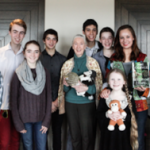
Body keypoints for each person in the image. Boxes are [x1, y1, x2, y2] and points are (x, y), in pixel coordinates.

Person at [100, 25, 149, 150]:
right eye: (121, 37)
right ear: (118, 40)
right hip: (119, 105)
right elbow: (107, 80)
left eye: (128, 36)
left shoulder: (143, 58)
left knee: (138, 140)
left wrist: (146, 91)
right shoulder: (114, 58)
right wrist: (105, 90)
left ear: (133, 38)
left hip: (139, 105)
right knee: (122, 140)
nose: (125, 40)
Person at [58, 34, 103, 150]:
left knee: (87, 135)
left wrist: (87, 88)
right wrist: (66, 85)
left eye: (81, 43)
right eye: (76, 44)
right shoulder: (67, 65)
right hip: (70, 103)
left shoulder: (93, 63)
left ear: (85, 46)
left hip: (87, 104)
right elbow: (64, 90)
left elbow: (98, 87)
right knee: (74, 135)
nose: (78, 46)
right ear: (72, 46)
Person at [10, 40, 52, 150]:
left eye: (36, 51)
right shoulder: (18, 73)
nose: (32, 55)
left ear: (40, 53)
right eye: (29, 51)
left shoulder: (45, 72)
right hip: (24, 121)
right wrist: (18, 124)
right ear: (24, 53)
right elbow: (13, 101)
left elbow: (48, 98)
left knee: (42, 148)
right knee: (27, 147)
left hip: (41, 120)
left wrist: (47, 121)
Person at [0, 19, 26, 150]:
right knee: (4, 143)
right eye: (15, 32)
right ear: (9, 32)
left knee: (16, 142)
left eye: (21, 33)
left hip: (20, 108)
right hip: (4, 107)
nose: (18, 36)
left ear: (24, 35)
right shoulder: (0, 53)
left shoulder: (27, 56)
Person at [97, 68, 138, 150]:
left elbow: (134, 116)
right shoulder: (105, 97)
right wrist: (107, 114)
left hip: (124, 138)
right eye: (112, 79)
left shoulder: (129, 98)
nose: (115, 82)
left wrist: (122, 116)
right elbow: (98, 115)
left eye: (119, 79)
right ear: (108, 82)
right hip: (108, 137)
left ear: (124, 82)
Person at [40, 29, 66, 150]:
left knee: (57, 132)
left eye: (53, 39)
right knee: (42, 133)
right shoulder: (37, 58)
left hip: (58, 103)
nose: (51, 42)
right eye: (48, 39)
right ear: (44, 40)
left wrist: (56, 102)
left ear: (57, 41)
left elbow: (65, 84)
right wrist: (47, 103)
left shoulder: (63, 60)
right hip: (41, 104)